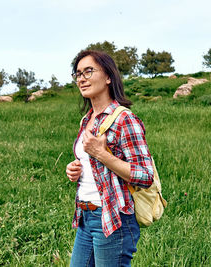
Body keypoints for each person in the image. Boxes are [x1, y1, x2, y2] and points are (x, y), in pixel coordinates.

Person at [66, 50, 154, 267]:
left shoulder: (125, 119)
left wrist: (101, 154)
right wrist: (75, 170)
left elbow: (145, 176)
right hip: (85, 216)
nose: (82, 78)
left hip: (114, 218)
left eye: (89, 71)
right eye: (78, 74)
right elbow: (93, 168)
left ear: (108, 77)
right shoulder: (86, 120)